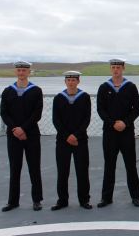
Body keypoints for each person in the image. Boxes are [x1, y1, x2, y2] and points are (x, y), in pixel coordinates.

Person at [96, 58, 139, 207]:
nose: (116, 70)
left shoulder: (131, 87)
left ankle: (135, 197)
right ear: (111, 69)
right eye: (113, 67)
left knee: (130, 165)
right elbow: (100, 109)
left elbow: (136, 109)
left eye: (118, 67)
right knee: (109, 165)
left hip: (127, 132)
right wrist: (112, 123)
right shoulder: (104, 87)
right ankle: (106, 198)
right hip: (110, 133)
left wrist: (125, 122)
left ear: (123, 68)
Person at [0, 61, 44, 212]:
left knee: (34, 167)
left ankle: (37, 200)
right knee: (15, 168)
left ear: (29, 72)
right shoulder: (7, 91)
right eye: (19, 70)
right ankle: (13, 201)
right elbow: (4, 113)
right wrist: (15, 129)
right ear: (16, 72)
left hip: (31, 134)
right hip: (13, 136)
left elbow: (37, 114)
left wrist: (23, 128)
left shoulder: (36, 91)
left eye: (24, 70)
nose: (21, 73)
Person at [51, 71, 92, 210]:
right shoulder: (58, 98)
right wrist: (67, 136)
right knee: (63, 171)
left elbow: (87, 119)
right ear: (65, 82)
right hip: (63, 141)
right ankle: (62, 200)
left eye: (74, 80)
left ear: (78, 81)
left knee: (82, 171)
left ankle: (84, 200)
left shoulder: (85, 97)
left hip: (80, 140)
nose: (71, 82)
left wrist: (76, 135)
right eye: (68, 80)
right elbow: (56, 120)